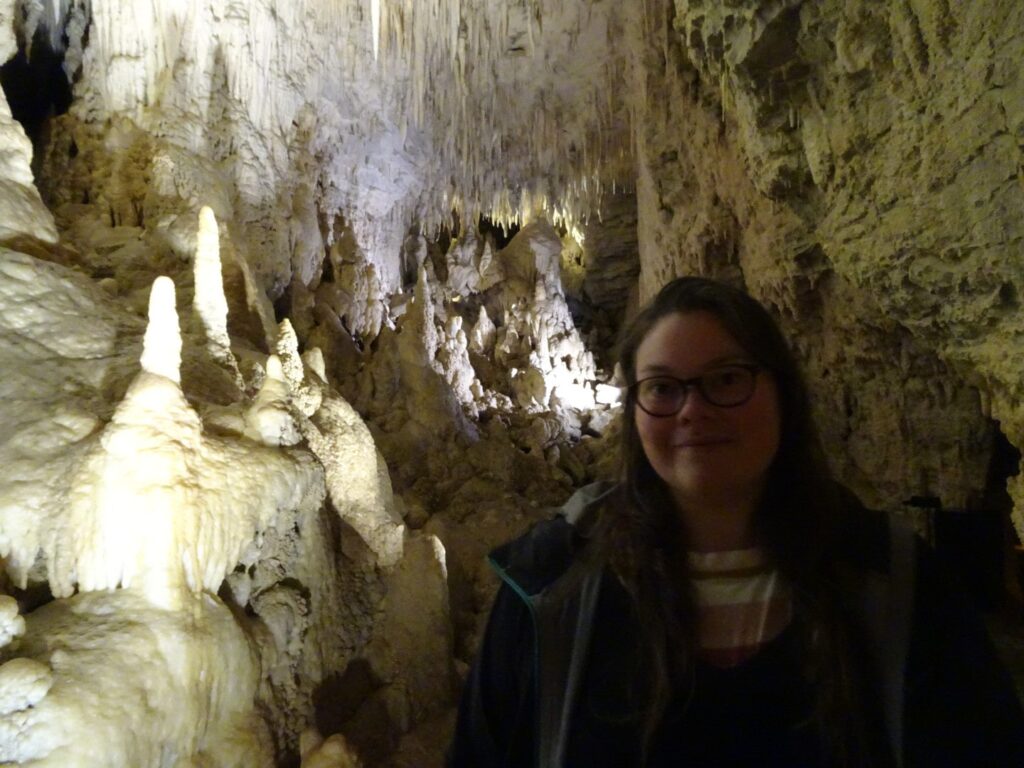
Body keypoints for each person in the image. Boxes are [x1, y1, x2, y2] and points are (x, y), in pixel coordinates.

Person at [448, 276, 1024, 767]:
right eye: (663, 389)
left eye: (726, 379)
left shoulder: (899, 589)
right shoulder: (548, 593)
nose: (693, 410)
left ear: (783, 394)